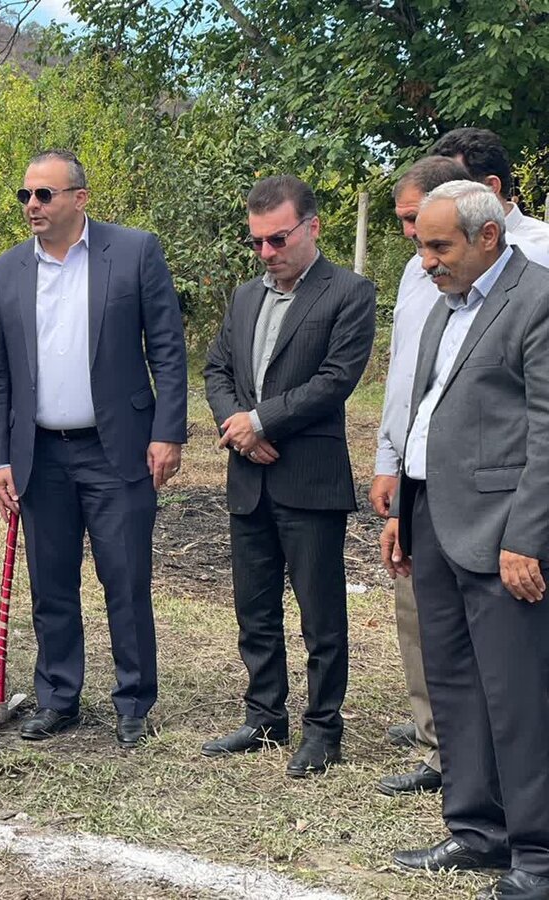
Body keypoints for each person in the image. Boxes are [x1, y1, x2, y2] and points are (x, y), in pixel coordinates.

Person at [0, 149, 188, 747]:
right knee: (50, 584)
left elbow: (167, 349)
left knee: (125, 578)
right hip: (40, 454)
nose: (32, 205)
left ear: (80, 197)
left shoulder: (134, 251)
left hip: (116, 448)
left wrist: (168, 431)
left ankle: (133, 700)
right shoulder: (7, 270)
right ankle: (58, 696)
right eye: (25, 195)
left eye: (44, 194)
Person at [387, 180, 549, 900]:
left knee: (519, 698)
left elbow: (546, 433)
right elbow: (426, 414)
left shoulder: (537, 300)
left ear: (488, 236)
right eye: (422, 245)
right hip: (433, 520)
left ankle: (538, 854)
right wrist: (404, 512)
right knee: (454, 686)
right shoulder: (443, 305)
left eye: (438, 246)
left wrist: (527, 536)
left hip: (504, 534)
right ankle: (478, 830)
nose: (425, 260)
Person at [202, 174, 376, 777]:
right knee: (254, 608)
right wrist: (238, 429)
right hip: (249, 478)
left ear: (312, 227)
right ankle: (264, 715)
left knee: (320, 615)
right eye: (256, 242)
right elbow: (217, 370)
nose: (266, 252)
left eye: (277, 239)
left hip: (309, 479)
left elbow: (335, 380)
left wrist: (261, 422)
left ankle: (323, 728)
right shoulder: (245, 296)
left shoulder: (349, 292)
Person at [432, 127, 549, 256]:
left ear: (491, 186)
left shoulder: (543, 248)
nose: (441, 200)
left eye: (454, 188)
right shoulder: (429, 255)